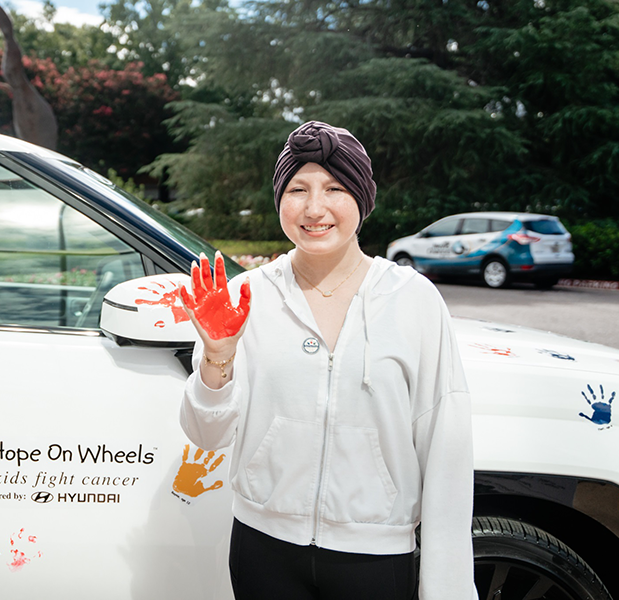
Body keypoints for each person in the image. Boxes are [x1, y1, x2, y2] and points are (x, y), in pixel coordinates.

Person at [178, 121, 476, 600]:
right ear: (280, 200)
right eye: (298, 189)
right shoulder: (245, 298)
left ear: (361, 197)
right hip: (263, 548)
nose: (314, 208)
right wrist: (217, 359)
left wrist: (448, 588)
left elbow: (448, 447)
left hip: (376, 556)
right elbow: (206, 436)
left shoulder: (412, 299)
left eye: (334, 188)